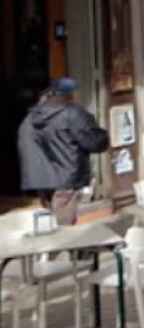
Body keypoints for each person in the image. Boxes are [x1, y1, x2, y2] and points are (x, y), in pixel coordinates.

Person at [17, 77, 109, 225]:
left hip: (43, 181)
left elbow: (27, 151)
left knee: (52, 219)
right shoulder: (72, 113)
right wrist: (103, 135)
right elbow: (94, 142)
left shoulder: (29, 119)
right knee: (63, 227)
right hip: (67, 179)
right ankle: (62, 247)